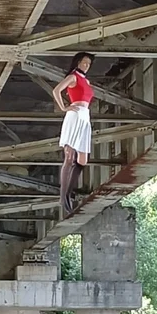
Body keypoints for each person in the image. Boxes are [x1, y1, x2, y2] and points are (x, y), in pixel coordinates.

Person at [52, 52, 95, 217]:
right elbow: (56, 90)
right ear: (78, 62)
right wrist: (64, 107)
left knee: (82, 160)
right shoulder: (73, 77)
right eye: (84, 62)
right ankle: (63, 196)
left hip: (85, 116)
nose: (86, 66)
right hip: (75, 114)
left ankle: (68, 192)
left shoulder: (86, 80)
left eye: (89, 64)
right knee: (69, 156)